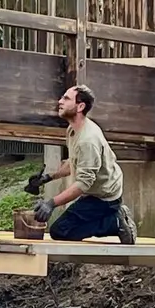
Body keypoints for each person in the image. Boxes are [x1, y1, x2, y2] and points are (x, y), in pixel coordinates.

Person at [24, 84, 137, 244]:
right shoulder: (73, 130)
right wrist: (47, 178)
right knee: (64, 228)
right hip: (94, 193)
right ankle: (113, 218)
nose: (60, 101)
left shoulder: (88, 140)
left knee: (60, 231)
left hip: (104, 198)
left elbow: (84, 183)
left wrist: (51, 203)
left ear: (80, 106)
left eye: (66, 98)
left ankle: (116, 222)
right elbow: (73, 162)